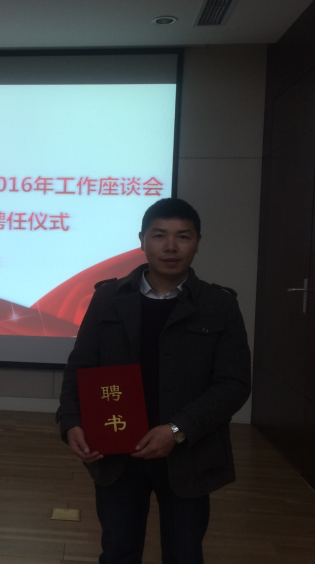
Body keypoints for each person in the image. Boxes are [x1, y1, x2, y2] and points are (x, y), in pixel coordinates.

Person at [57, 198, 251, 564]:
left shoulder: (219, 304)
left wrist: (177, 430)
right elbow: (80, 366)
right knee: (118, 551)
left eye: (183, 236)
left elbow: (234, 383)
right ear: (142, 240)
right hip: (117, 450)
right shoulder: (108, 298)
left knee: (184, 554)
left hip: (188, 453)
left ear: (198, 242)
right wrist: (70, 421)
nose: (171, 246)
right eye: (160, 235)